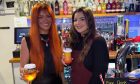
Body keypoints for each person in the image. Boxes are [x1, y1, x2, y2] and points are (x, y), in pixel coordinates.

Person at [20, 3, 64, 84]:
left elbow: (61, 70)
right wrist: (23, 73)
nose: (45, 20)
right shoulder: (26, 40)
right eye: (40, 17)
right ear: (35, 20)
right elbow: (22, 68)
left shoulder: (57, 38)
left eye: (48, 16)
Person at [63, 7, 109, 84]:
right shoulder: (74, 41)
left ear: (90, 21)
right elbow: (71, 68)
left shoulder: (98, 42)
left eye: (82, 19)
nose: (77, 23)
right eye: (75, 20)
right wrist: (64, 62)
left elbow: (99, 74)